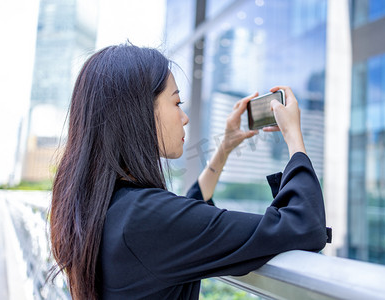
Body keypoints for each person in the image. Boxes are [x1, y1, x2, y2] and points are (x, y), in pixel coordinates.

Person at [49, 43, 328, 300]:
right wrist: (294, 137)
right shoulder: (145, 217)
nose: (184, 117)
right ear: (140, 111)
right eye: (176, 102)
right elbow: (303, 226)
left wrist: (225, 147)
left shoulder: (107, 206)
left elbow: (188, 217)